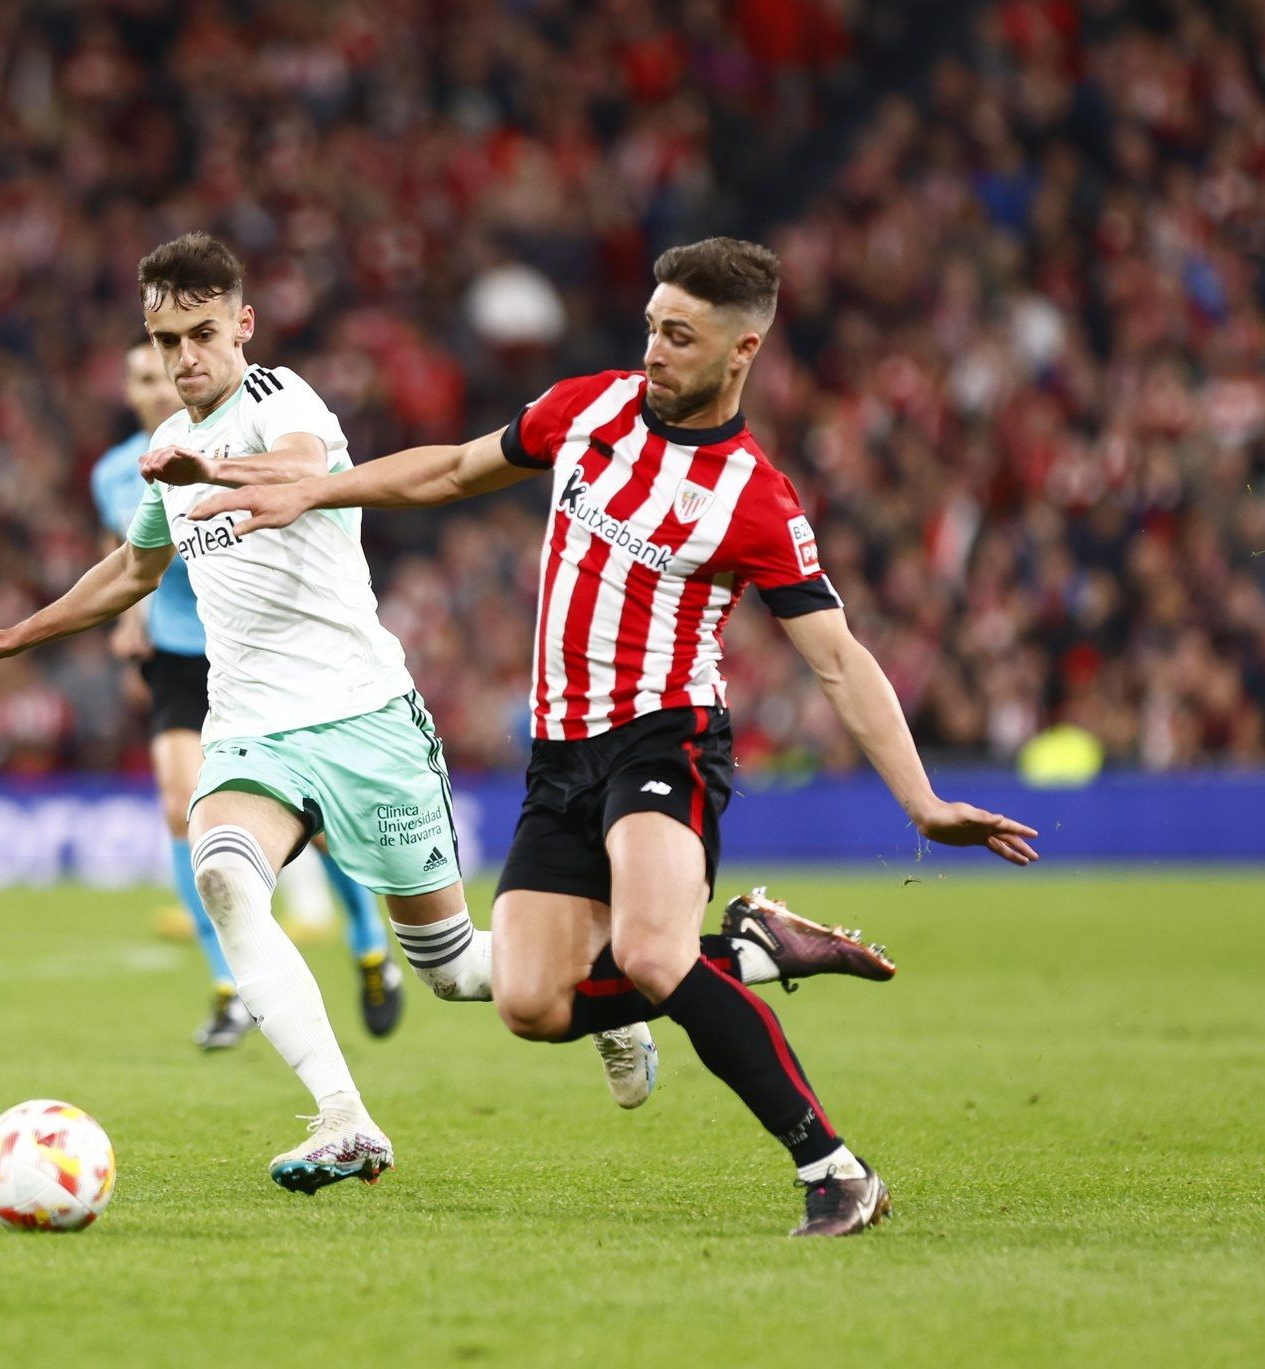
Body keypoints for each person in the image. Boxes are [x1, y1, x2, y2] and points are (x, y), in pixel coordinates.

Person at [185, 236, 1041, 1236]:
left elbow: (837, 659)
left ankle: (833, 1169)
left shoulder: (753, 500)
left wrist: (921, 801)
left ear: (741, 351)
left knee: (644, 951)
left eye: (679, 337)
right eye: (649, 327)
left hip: (662, 743)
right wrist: (311, 490)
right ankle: (752, 946)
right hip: (560, 757)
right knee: (527, 1001)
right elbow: (455, 469)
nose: (654, 352)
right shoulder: (584, 407)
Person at [0, 232, 649, 1193]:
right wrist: (14, 634)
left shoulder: (281, 402)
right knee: (222, 875)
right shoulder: (163, 448)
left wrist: (209, 475)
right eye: (165, 337)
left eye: (202, 333)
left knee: (459, 970)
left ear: (243, 326)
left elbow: (301, 471)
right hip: (255, 730)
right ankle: (345, 1119)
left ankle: (617, 994)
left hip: (365, 721)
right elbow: (138, 568)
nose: (185, 358)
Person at [90, 337, 403, 1051]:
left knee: (316, 825)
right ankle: (230, 985)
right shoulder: (114, 473)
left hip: (256, 650)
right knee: (180, 807)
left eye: (161, 368)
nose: (156, 383)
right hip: (177, 651)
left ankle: (367, 943)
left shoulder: (238, 433)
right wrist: (129, 616)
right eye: (140, 373)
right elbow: (127, 552)